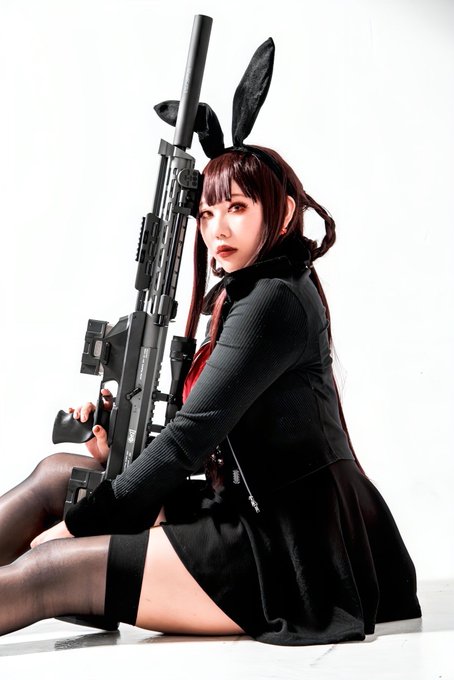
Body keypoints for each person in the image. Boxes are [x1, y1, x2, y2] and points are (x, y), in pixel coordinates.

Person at [0, 145, 421, 645]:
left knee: (50, 568)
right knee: (57, 475)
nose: (217, 229)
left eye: (236, 208)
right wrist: (117, 448)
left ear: (285, 211)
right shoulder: (253, 288)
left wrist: (78, 527)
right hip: (249, 508)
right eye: (206, 214)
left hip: (291, 549)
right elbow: (213, 437)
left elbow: (189, 439)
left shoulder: (272, 298)